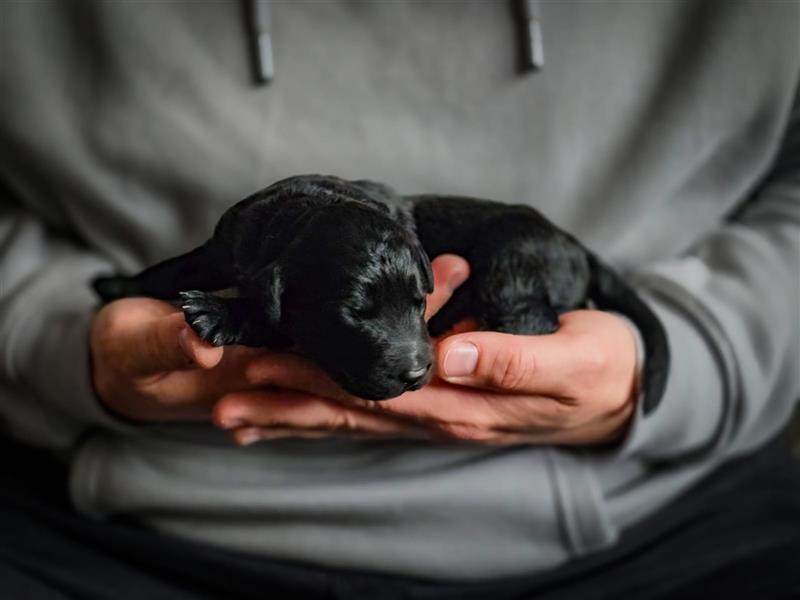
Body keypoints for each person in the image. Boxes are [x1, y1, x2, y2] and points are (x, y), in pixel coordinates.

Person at [1, 1, 798, 597]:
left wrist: (681, 366)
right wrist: (64, 333)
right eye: (364, 315)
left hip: (651, 519)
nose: (415, 359)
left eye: (413, 303)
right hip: (118, 523)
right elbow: (203, 271)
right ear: (275, 291)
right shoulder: (258, 243)